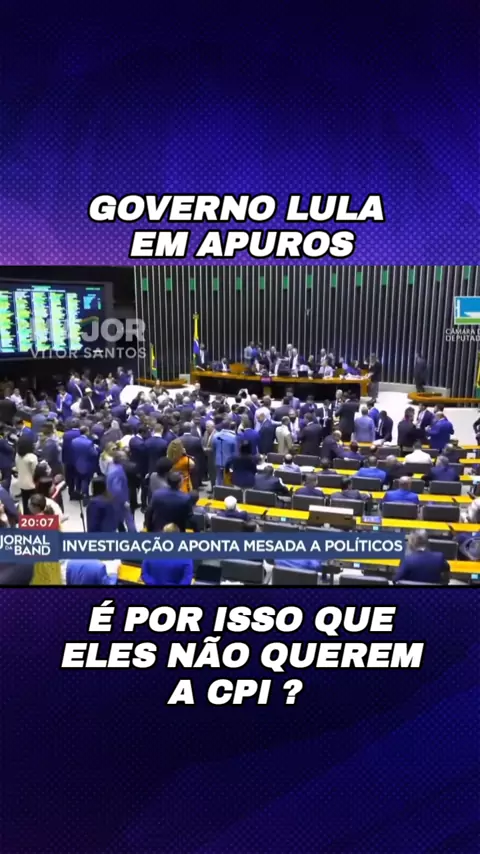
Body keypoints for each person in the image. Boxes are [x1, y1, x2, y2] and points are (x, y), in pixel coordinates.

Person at [106, 450, 136, 531]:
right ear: (121, 459)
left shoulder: (111, 467)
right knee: (129, 519)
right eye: (125, 457)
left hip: (112, 498)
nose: (127, 459)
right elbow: (117, 489)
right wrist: (124, 501)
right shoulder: (118, 471)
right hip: (120, 500)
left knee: (118, 518)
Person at [72, 426, 99, 498]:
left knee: (77, 479)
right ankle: (85, 496)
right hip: (87, 465)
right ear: (87, 432)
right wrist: (96, 448)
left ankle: (78, 494)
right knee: (85, 481)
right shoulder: (89, 442)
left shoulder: (74, 441)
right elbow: (94, 454)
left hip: (76, 464)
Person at [15, 435, 38, 513]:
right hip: (31, 484)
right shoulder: (32, 457)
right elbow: (35, 471)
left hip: (21, 483)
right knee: (34, 504)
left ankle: (26, 516)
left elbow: (17, 468)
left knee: (25, 503)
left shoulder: (17, 456)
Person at [211, 421, 237, 485]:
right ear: (229, 426)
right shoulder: (233, 437)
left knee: (219, 478)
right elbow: (235, 451)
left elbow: (213, 448)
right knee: (228, 480)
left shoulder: (215, 436)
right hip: (229, 462)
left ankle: (218, 490)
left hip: (218, 461)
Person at [0, 425, 15, 490]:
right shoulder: (2, 441)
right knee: (7, 480)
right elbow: (10, 450)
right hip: (5, 464)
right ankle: (5, 493)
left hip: (2, 462)